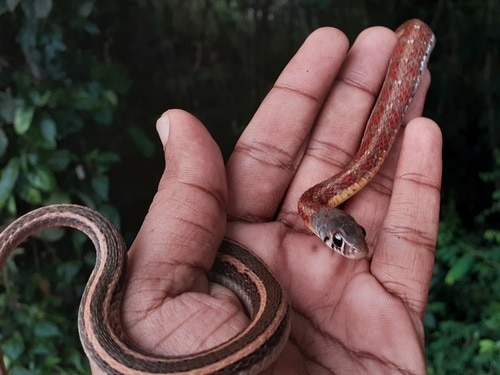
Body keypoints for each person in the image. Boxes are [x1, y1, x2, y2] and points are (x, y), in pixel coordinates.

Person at [103, 24, 442, 374]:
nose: (351, 249)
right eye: (340, 243)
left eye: (351, 237)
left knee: (410, 38)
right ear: (321, 229)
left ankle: (413, 33)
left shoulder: (323, 198)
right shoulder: (315, 204)